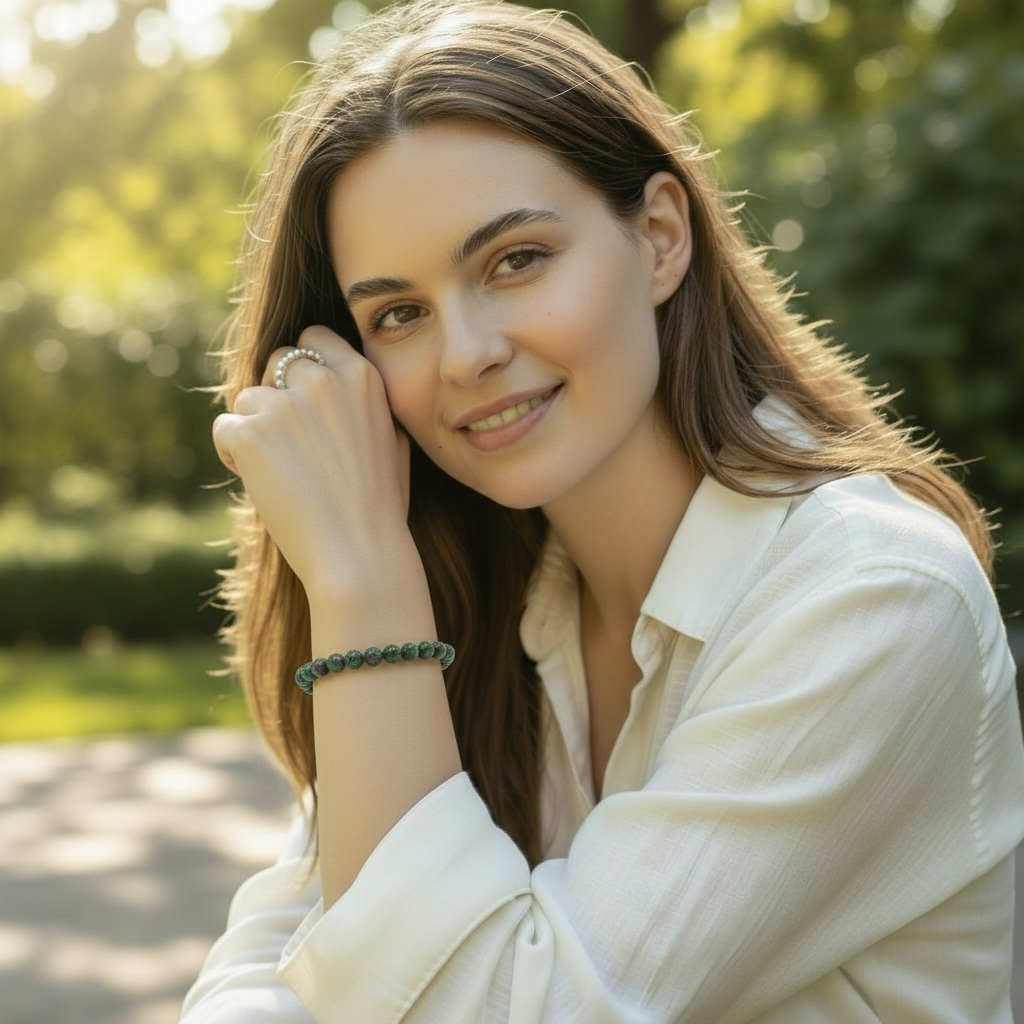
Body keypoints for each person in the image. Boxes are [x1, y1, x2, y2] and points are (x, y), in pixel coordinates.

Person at [179, 0, 1024, 1020]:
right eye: (397, 314)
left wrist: (362, 589)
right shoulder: (470, 592)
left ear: (660, 237)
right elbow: (281, 948)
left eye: (515, 260)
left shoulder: (872, 597)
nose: (466, 353)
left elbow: (503, 1006)